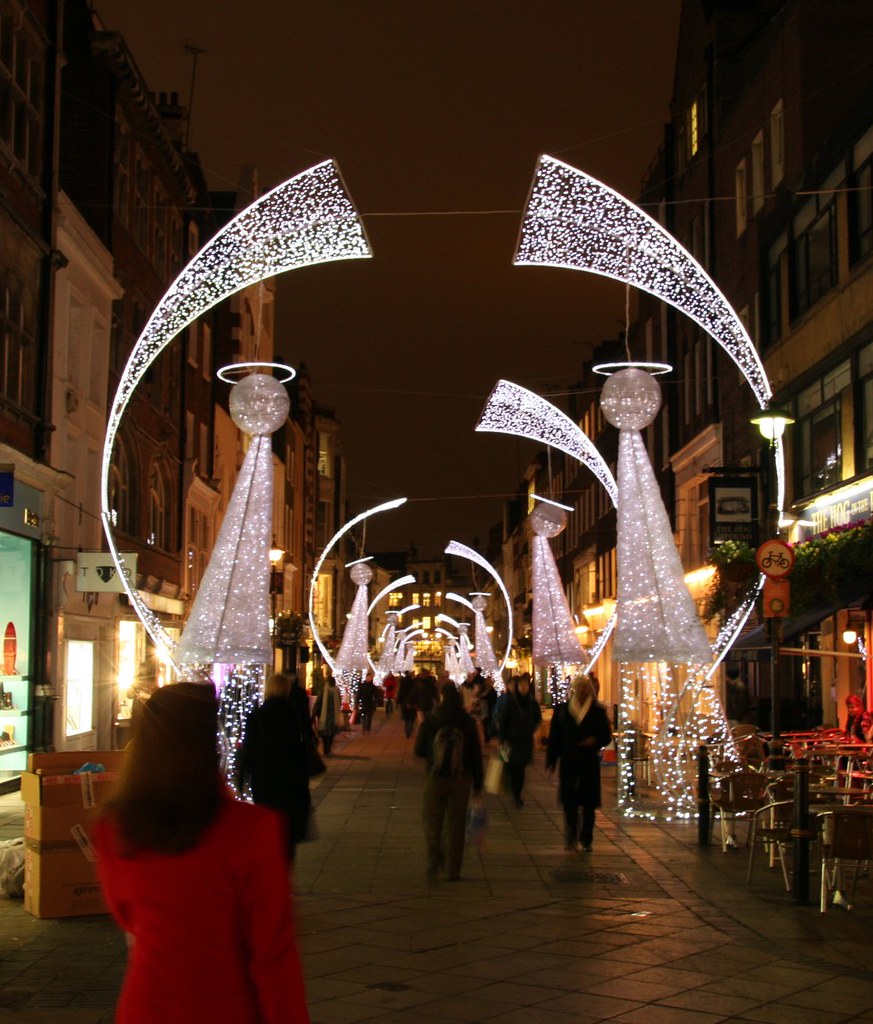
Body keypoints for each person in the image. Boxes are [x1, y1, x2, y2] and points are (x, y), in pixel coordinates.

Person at [93, 683, 309, 1024]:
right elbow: (272, 955)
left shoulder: (115, 828)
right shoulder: (253, 831)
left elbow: (127, 917)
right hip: (227, 1008)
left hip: (147, 1006)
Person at [414, 681, 484, 881]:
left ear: (441, 697)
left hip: (434, 779)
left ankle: (434, 860)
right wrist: (478, 784)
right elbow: (476, 755)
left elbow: (418, 751)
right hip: (460, 780)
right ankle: (454, 870)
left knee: (432, 822)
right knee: (455, 825)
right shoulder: (467, 722)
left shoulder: (431, 720)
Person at [238, 672, 311, 862]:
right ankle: (284, 873)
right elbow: (303, 747)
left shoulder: (256, 717)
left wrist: (242, 777)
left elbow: (249, 750)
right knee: (288, 833)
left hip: (265, 781)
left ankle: (269, 866)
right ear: (287, 690)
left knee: (268, 826)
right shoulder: (294, 716)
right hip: (291, 782)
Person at [546, 674, 612, 853]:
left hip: (588, 762)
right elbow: (555, 738)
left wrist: (595, 740)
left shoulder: (597, 712)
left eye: (585, 688)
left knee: (589, 804)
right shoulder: (563, 710)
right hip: (569, 761)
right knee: (570, 803)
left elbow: (606, 735)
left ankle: (586, 838)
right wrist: (551, 760)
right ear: (575, 689)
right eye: (580, 687)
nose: (583, 691)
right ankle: (571, 834)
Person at [496, 673, 542, 807]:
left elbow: (537, 718)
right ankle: (513, 787)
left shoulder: (532, 702)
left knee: (520, 768)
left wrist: (531, 728)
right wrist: (502, 738)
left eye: (526, 685)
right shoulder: (511, 702)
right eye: (521, 685)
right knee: (512, 766)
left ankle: (517, 794)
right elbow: (504, 721)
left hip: (525, 741)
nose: (524, 687)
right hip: (511, 740)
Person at [313, 675, 342, 755]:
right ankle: (326, 749)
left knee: (331, 733)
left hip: (332, 715)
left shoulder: (336, 691)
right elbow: (319, 702)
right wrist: (315, 712)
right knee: (325, 734)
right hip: (324, 715)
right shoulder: (323, 691)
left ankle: (328, 749)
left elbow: (339, 702)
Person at [398, 670, 418, 738]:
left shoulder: (403, 683)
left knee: (406, 719)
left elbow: (400, 693)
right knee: (412, 718)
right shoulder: (413, 683)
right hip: (412, 702)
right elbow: (415, 693)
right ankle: (410, 730)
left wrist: (399, 702)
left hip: (404, 702)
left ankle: (407, 732)